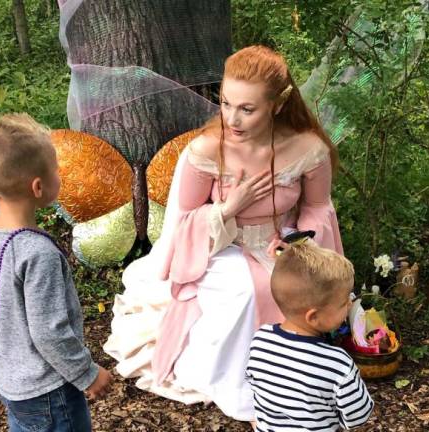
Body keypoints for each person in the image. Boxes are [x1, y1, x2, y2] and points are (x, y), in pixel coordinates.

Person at [104, 45, 343, 421]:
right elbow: (184, 222)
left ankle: (294, 378)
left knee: (293, 285)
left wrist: (300, 242)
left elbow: (317, 207)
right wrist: (231, 207)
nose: (232, 118)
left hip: (284, 241)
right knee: (250, 290)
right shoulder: (206, 150)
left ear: (277, 105)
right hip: (220, 244)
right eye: (226, 103)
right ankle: (241, 388)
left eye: (247, 109)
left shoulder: (307, 148)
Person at [0, 113, 112, 432]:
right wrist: (87, 374)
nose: (59, 175)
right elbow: (49, 332)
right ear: (38, 187)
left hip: (12, 385)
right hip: (50, 391)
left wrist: (8, 356)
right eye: (56, 170)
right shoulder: (39, 253)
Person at [246, 240, 373, 431]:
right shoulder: (337, 363)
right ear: (313, 317)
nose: (349, 305)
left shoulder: (260, 341)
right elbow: (358, 416)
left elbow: (255, 387)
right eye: (343, 303)